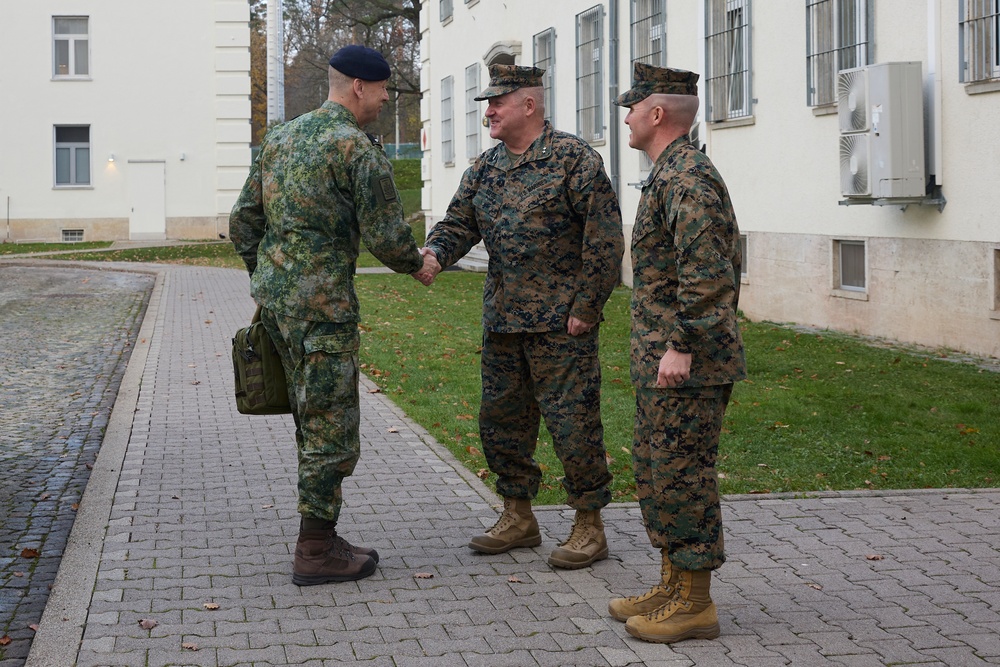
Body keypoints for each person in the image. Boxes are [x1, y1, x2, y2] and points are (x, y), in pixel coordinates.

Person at [229, 45, 439, 586]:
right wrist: (420, 264)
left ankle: (324, 531)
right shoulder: (355, 149)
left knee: (308, 417)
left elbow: (242, 223)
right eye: (384, 89)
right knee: (331, 426)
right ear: (358, 88)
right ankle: (315, 549)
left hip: (276, 309)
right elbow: (388, 237)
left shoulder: (279, 138)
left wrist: (271, 278)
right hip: (324, 313)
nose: (388, 97)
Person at [418, 65, 624, 569]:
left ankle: (589, 525)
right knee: (501, 422)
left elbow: (605, 239)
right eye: (486, 102)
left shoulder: (574, 159)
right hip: (504, 322)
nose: (486, 110)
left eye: (496, 102)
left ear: (528, 105)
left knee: (573, 425)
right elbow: (457, 224)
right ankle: (518, 515)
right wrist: (432, 258)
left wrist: (587, 308)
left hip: (561, 325)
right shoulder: (484, 169)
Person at [607, 63, 746, 643]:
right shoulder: (667, 174)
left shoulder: (687, 178)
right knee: (658, 471)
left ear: (657, 114)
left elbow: (710, 274)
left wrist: (682, 345)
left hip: (688, 362)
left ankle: (696, 603)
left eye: (632, 108)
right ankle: (671, 583)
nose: (627, 118)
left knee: (683, 475)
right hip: (664, 360)